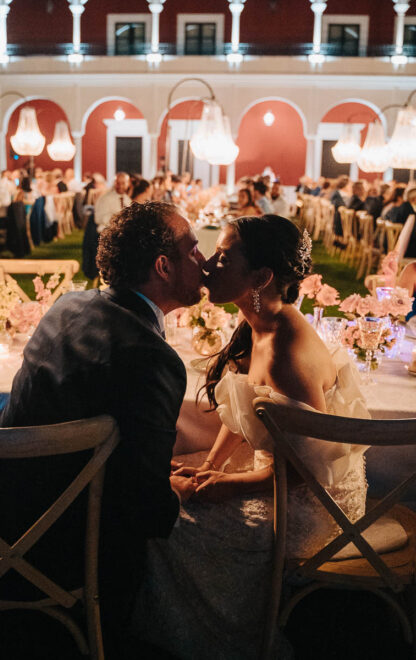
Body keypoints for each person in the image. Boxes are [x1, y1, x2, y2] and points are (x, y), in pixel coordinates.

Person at [132, 215, 370, 659]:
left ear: (261, 277)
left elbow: (309, 470)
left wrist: (230, 487)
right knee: (173, 495)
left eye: (223, 258)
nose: (206, 265)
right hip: (281, 471)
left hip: (313, 500)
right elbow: (244, 409)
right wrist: (211, 466)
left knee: (173, 522)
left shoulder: (285, 350)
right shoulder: (257, 323)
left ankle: (231, 639)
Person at [0, 201, 205, 658]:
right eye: (194, 250)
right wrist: (176, 492)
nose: (204, 261)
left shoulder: (69, 304)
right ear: (163, 266)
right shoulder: (151, 356)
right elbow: (147, 509)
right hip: (62, 544)